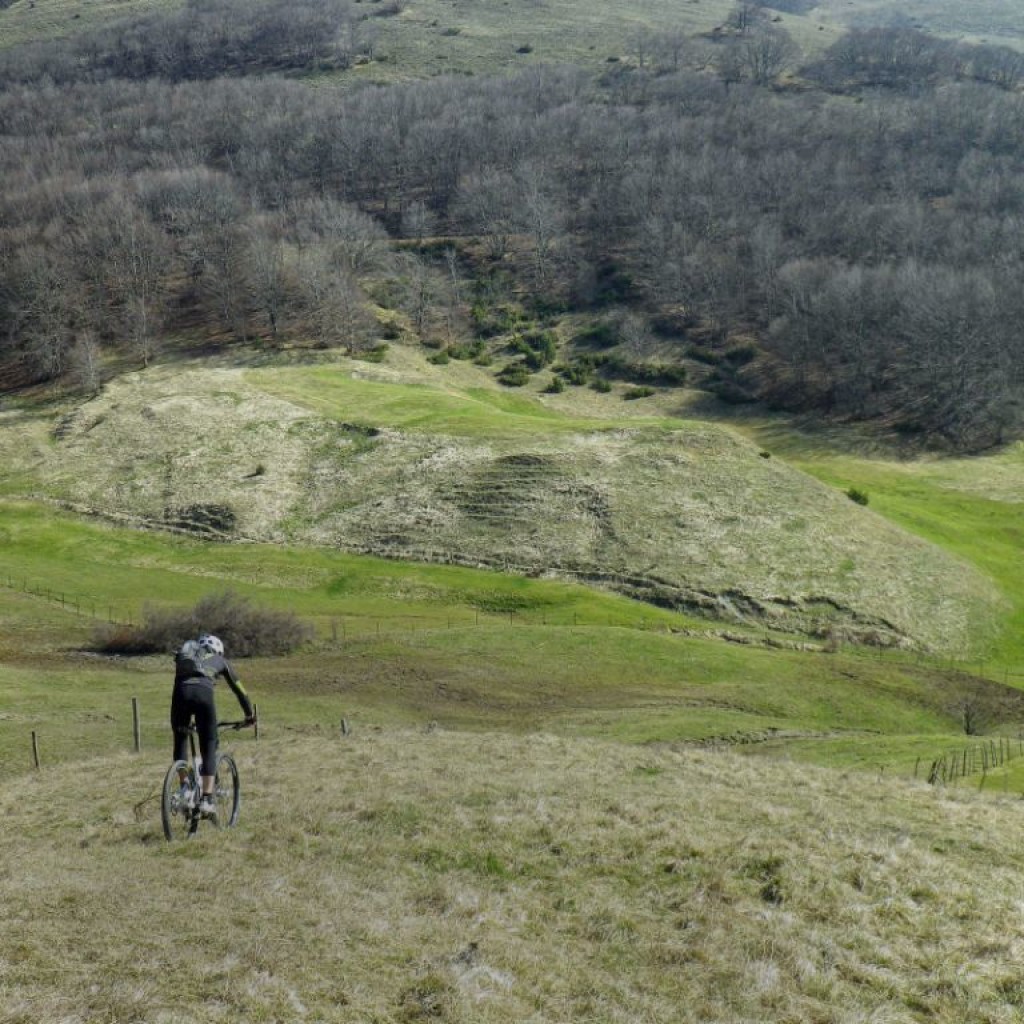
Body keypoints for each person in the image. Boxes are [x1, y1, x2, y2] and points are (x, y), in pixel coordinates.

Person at [171, 633, 254, 820]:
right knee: (208, 745)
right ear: (218, 651)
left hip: (180, 694)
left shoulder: (187, 655)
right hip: (203, 694)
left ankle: (184, 789)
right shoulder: (221, 661)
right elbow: (239, 690)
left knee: (180, 740)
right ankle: (207, 799)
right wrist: (249, 715)